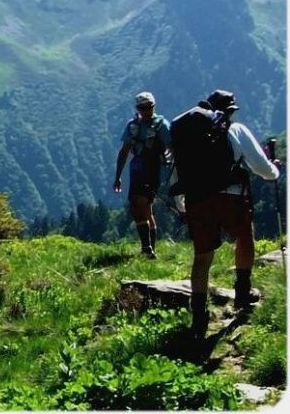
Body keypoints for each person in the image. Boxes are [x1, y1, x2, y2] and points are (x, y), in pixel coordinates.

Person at [171, 90, 280, 338]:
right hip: (231, 198)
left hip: (197, 200)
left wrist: (182, 206)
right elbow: (263, 169)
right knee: (244, 237)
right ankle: (242, 293)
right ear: (229, 111)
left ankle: (199, 319)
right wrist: (275, 172)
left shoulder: (189, 136)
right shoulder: (236, 130)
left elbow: (179, 174)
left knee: (202, 258)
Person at [113, 91, 172, 258]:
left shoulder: (161, 125)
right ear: (137, 108)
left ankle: (148, 248)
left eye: (149, 107)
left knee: (142, 202)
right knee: (139, 207)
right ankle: (148, 249)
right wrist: (117, 176)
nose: (146, 111)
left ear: (153, 107)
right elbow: (124, 151)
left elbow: (171, 146)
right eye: (142, 108)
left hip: (154, 168)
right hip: (137, 167)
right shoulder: (133, 127)